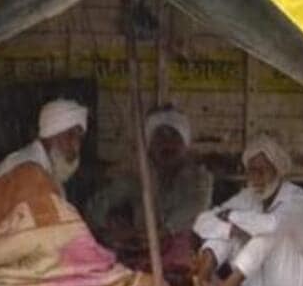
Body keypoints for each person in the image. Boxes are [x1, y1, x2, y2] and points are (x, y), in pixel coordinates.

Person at [189, 133, 303, 286]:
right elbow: (202, 222)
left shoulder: (298, 200)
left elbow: (270, 225)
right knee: (224, 230)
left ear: (277, 170)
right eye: (252, 171)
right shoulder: (248, 197)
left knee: (268, 232)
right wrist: (229, 229)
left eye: (262, 171)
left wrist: (232, 216)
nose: (256, 177)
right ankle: (203, 281)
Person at [86, 105, 213, 271]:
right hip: (142, 253)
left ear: (185, 143)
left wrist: (161, 233)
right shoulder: (137, 176)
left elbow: (192, 210)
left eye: (174, 137)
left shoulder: (199, 177)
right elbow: (95, 208)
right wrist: (112, 229)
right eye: (159, 137)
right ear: (149, 144)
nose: (167, 144)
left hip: (184, 256)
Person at [0, 98, 87, 192]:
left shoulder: (45, 169)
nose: (76, 144)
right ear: (50, 135)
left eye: (79, 138)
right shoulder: (29, 170)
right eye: (70, 135)